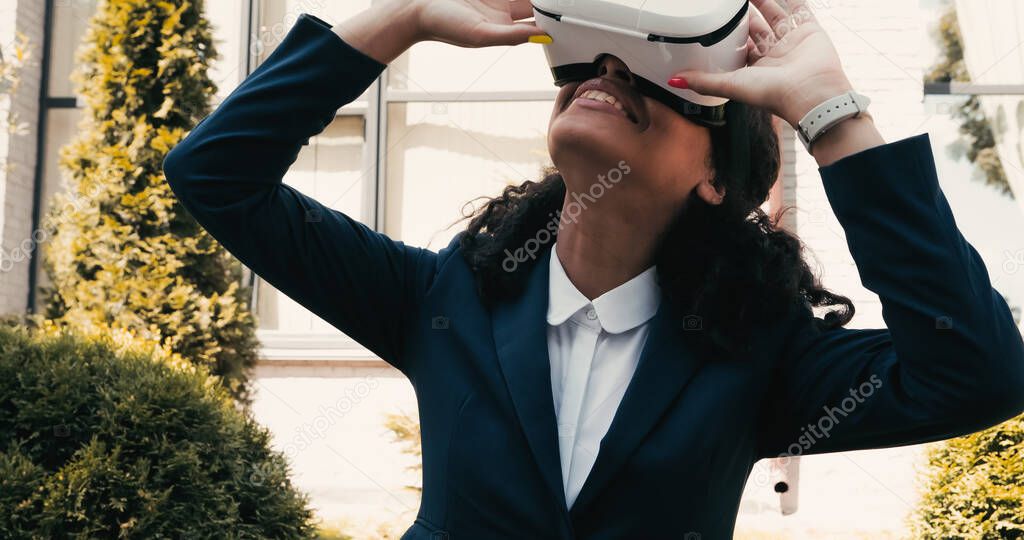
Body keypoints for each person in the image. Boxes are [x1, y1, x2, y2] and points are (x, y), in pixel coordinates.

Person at [162, 0, 1024, 537]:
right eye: (595, 62)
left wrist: (830, 111)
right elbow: (217, 176)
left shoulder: (756, 358)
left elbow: (978, 374)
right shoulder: (437, 302)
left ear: (718, 177)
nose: (610, 74)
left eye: (659, 77)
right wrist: (404, 16)